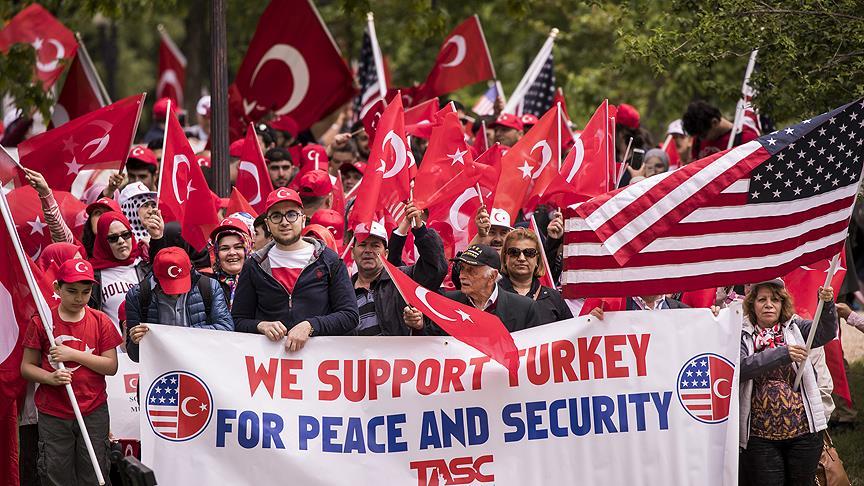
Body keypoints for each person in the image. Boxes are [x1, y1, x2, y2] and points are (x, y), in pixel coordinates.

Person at [20, 259, 121, 485]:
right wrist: (50, 377)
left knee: (94, 472)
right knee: (56, 473)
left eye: (86, 292)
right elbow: (26, 367)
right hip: (54, 412)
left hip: (93, 409)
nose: (79, 298)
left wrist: (73, 354)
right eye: (72, 291)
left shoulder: (100, 321)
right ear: (57, 288)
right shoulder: (42, 322)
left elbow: (111, 366)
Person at [231, 188, 359, 351]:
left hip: (319, 360)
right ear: (268, 224)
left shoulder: (330, 260)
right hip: (270, 362)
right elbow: (238, 320)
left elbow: (350, 315)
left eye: (291, 214)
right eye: (276, 216)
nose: (284, 222)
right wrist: (261, 325)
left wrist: (311, 326)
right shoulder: (254, 265)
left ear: (303, 219)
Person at [739, 279, 837, 485]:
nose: (768, 305)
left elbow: (825, 331)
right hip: (759, 437)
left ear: (782, 304)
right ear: (752, 304)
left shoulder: (796, 328)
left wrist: (827, 305)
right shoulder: (742, 334)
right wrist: (782, 354)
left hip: (804, 433)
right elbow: (740, 368)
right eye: (762, 300)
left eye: (775, 300)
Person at [125, 247, 234, 362]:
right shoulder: (138, 295)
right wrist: (135, 341)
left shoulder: (209, 287)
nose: (175, 292)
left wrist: (180, 335)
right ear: (156, 277)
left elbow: (226, 329)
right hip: (161, 367)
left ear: (190, 270)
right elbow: (134, 357)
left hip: (202, 364)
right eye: (169, 285)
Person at [352, 204, 447, 336]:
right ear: (352, 252)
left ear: (386, 254)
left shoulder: (402, 279)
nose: (368, 250)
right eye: (362, 245)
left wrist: (420, 229)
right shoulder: (343, 290)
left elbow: (434, 269)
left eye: (375, 245)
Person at [417, 244, 540, 333]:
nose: (462, 276)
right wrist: (419, 327)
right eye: (462, 268)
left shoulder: (525, 308)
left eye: (471, 271)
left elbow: (533, 354)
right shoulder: (448, 302)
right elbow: (433, 347)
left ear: (492, 276)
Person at [498, 228, 572, 324]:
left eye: (529, 253)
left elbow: (571, 330)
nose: (521, 258)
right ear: (505, 258)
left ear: (537, 259)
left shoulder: (554, 298)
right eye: (514, 252)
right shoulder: (493, 294)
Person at [88, 212, 149, 328]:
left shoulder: (145, 267)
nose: (121, 241)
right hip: (113, 339)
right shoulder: (94, 275)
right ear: (104, 242)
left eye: (125, 234)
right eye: (113, 238)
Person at [683, 100, 758, 160]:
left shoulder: (745, 139)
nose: (702, 139)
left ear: (714, 122)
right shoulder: (698, 141)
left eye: (704, 135)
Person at [208, 217, 253, 308]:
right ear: (217, 252)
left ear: (248, 249)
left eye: (238, 247)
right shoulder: (206, 285)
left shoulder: (261, 281)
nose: (232, 253)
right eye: (224, 248)